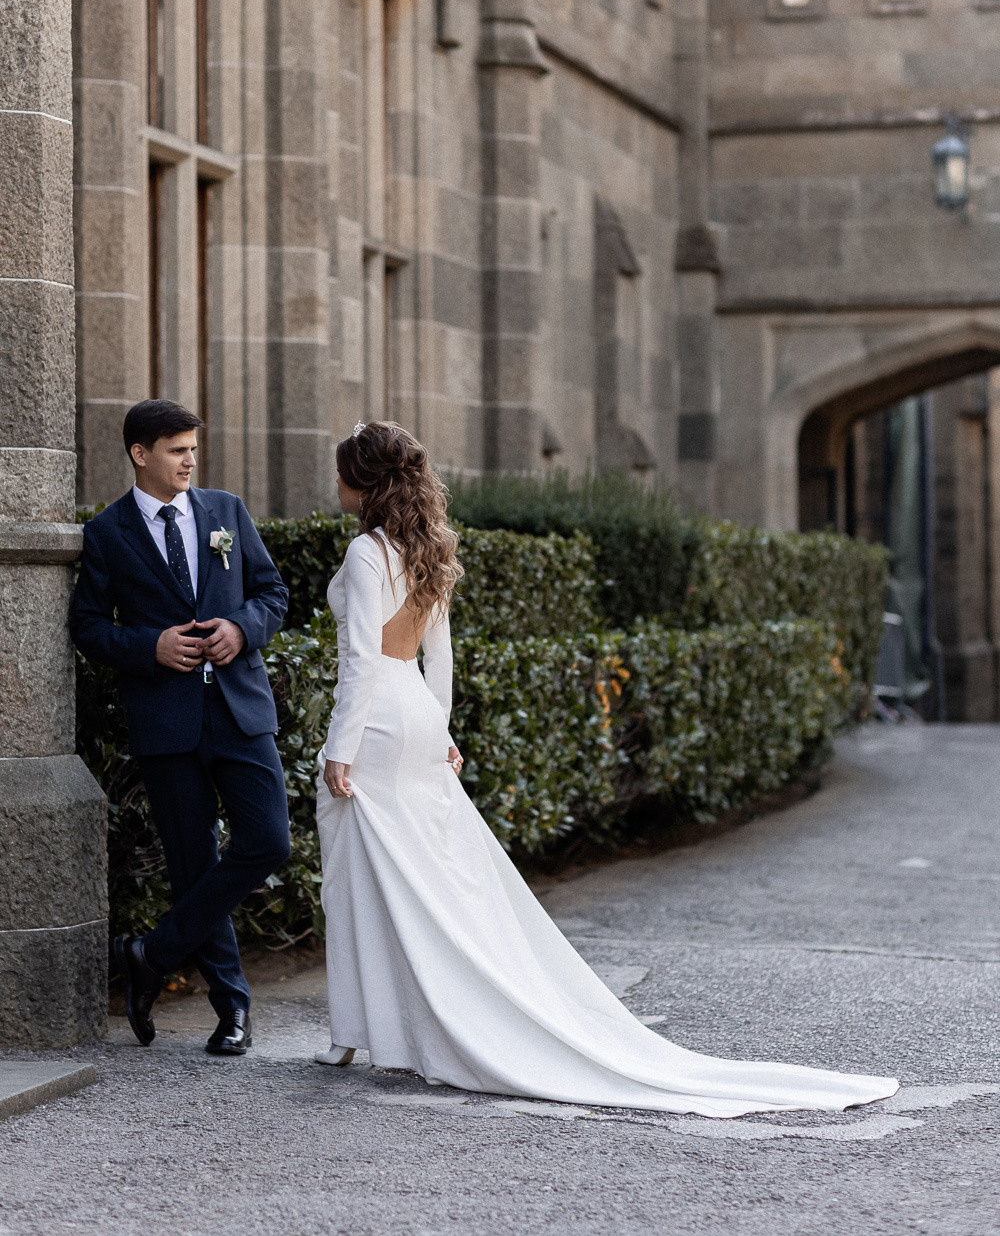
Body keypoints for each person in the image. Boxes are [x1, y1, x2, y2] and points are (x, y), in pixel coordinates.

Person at [314, 421, 898, 1117]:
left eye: (343, 473)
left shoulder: (363, 554)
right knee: (428, 875)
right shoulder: (428, 548)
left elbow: (358, 662)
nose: (337, 485)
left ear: (365, 483)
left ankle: (355, 1031)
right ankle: (382, 1023)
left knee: (357, 872)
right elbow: (438, 658)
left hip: (376, 721)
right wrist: (441, 733)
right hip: (414, 712)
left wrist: (339, 749)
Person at [70, 399, 290, 1056]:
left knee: (268, 841)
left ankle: (151, 952)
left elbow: (272, 595)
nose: (189, 460)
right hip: (165, 722)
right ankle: (233, 1012)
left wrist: (240, 628)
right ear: (141, 454)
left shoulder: (226, 512)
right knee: (194, 868)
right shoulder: (108, 533)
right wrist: (151, 646)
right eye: (175, 449)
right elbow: (88, 626)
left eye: (193, 448)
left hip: (239, 710)